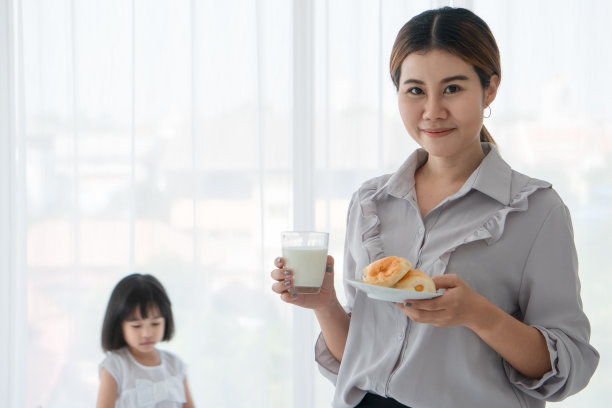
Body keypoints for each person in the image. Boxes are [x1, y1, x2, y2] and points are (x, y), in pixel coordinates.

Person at [270, 7, 599, 408]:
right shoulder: (371, 202)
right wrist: (324, 304)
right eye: (415, 91)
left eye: (453, 89)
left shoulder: (535, 211)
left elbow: (570, 365)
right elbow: (358, 358)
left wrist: (481, 315)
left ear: (490, 89)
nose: (432, 110)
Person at [96, 273, 195, 408]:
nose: (147, 333)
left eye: (155, 324)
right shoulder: (115, 367)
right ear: (119, 325)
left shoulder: (176, 366)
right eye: (136, 326)